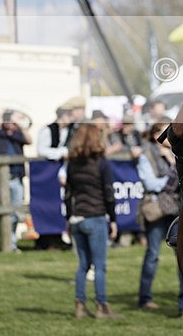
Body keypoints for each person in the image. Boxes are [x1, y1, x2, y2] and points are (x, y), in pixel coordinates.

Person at [64, 124, 123, 319]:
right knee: (99, 265)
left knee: (83, 266)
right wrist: (113, 220)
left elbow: (68, 194)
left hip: (77, 218)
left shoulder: (72, 163)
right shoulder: (101, 162)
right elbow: (108, 194)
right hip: (95, 218)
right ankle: (102, 307)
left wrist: (68, 220)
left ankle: (80, 306)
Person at [136, 120, 183, 312]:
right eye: (166, 131)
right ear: (156, 134)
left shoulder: (179, 153)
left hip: (176, 209)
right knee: (152, 255)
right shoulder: (146, 154)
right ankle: (145, 297)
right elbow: (152, 184)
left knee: (182, 257)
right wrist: (174, 168)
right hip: (157, 209)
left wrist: (174, 161)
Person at [0, 110, 32, 251]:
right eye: (7, 120)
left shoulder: (18, 135)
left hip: (16, 178)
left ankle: (12, 243)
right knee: (0, 213)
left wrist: (20, 126)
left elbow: (30, 141)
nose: (9, 123)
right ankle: (0, 244)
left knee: (16, 212)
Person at [35, 104, 72, 249]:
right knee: (48, 205)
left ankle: (61, 236)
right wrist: (61, 153)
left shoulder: (70, 130)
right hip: (48, 175)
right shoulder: (48, 130)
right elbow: (41, 150)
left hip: (63, 172)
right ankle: (46, 239)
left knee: (63, 205)